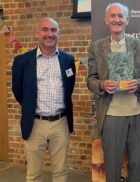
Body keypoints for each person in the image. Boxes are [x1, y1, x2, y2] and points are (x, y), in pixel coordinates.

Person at [87, 2, 140, 182]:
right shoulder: (96, 47)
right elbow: (90, 80)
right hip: (111, 114)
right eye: (113, 16)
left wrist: (138, 84)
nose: (117, 19)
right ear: (106, 20)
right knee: (112, 164)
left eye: (120, 16)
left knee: (136, 163)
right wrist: (102, 85)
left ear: (127, 20)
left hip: (138, 113)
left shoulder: (139, 46)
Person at [12, 17, 75, 182]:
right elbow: (18, 91)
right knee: (33, 174)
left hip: (61, 122)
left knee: (60, 171)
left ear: (58, 34)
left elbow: (69, 88)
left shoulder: (68, 60)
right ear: (37, 32)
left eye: (53, 30)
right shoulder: (22, 61)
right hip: (34, 124)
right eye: (45, 29)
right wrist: (30, 107)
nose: (49, 34)